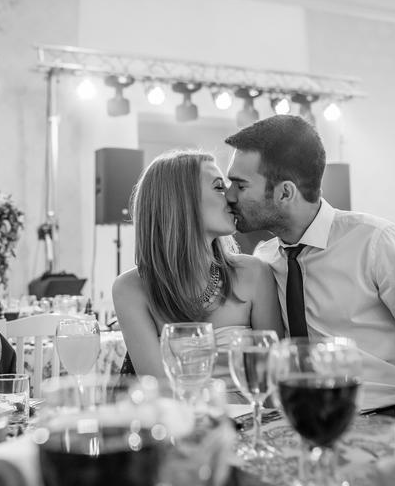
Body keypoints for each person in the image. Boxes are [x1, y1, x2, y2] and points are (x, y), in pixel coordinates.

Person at [224, 114, 395, 446]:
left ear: (285, 192)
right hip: (309, 429)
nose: (229, 195)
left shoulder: (375, 241)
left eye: (240, 185)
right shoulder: (264, 260)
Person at [112, 150, 282, 389]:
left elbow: (273, 380)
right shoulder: (130, 289)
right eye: (219, 187)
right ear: (181, 201)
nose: (232, 196)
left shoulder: (255, 273)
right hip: (178, 414)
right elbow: (160, 391)